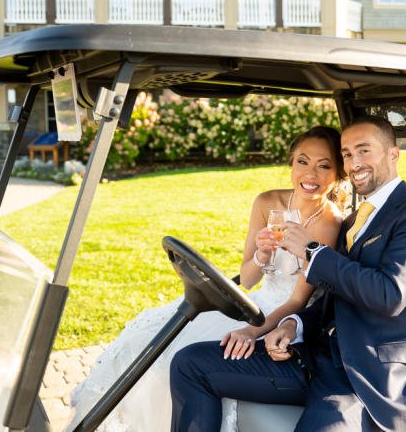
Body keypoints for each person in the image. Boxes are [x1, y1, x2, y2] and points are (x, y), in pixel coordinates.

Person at [169, 115, 406, 431]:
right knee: (189, 364)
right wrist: (292, 324)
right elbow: (334, 298)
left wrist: (313, 252)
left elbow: (389, 295)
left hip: (369, 375)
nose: (354, 162)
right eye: (346, 154)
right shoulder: (356, 220)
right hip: (318, 356)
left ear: (393, 155)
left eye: (364, 151)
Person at [68, 126, 347, 431]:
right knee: (148, 347)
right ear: (291, 164)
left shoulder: (328, 222)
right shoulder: (267, 203)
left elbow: (296, 300)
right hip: (255, 301)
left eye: (324, 166)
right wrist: (262, 256)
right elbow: (250, 279)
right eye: (303, 162)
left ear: (338, 174)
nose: (311, 174)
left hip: (283, 320)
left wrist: (251, 332)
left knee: (178, 365)